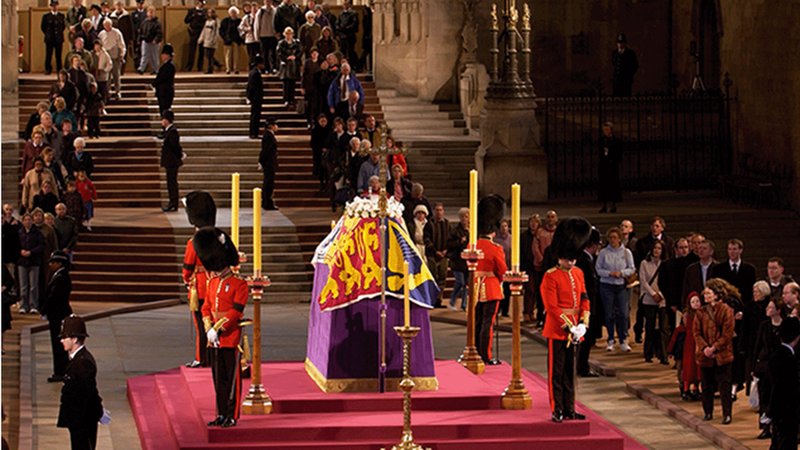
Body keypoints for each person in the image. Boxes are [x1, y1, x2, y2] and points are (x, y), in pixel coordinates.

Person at [541, 217, 591, 423]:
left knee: (571, 373)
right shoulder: (550, 276)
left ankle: (570, 407)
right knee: (557, 372)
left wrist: (583, 324)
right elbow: (552, 307)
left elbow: (584, 298)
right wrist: (570, 327)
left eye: (574, 258)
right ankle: (557, 408)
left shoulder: (578, 273)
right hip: (558, 330)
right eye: (568, 258)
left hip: (576, 329)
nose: (571, 261)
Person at [196, 227, 247, 428]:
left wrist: (217, 329)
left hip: (229, 337)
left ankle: (232, 415)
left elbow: (235, 312)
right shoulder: (212, 282)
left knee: (231, 380)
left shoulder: (239, 284)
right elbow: (206, 307)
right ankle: (220, 413)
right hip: (214, 339)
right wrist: (208, 328)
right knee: (218, 380)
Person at [57, 314, 104, 449]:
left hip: (82, 420)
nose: (62, 341)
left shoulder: (83, 362)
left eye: (65, 337)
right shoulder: (77, 359)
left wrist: (98, 411)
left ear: (75, 339)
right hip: (77, 419)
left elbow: (90, 391)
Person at [182, 191, 216, 369]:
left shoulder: (193, 242)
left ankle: (201, 357)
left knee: (201, 325)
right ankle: (213, 356)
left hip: (200, 288)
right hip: (216, 286)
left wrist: (188, 280)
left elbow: (187, 269)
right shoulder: (218, 238)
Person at [694, 282, 735, 425]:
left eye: (708, 293)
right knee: (706, 385)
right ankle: (708, 411)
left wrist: (715, 348)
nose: (705, 296)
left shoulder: (726, 310)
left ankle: (727, 414)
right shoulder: (701, 312)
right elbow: (696, 333)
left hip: (723, 354)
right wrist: (705, 348)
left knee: (725, 385)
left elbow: (727, 333)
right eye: (705, 293)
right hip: (705, 355)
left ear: (716, 296)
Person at [473, 195, 507, 365]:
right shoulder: (496, 248)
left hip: (475, 287)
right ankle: (485, 355)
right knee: (488, 323)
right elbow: (502, 270)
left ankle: (475, 351)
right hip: (491, 288)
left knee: (477, 322)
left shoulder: (473, 245)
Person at [596, 226, 636, 352]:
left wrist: (621, 273)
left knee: (624, 313)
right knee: (609, 314)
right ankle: (610, 339)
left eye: (615, 238)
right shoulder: (603, 253)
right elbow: (598, 269)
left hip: (621, 286)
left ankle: (623, 339)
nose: (612, 240)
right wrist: (609, 274)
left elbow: (632, 268)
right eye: (610, 238)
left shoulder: (626, 252)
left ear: (619, 239)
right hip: (607, 285)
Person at [751, 297, 783, 440]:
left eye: (770, 308)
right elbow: (757, 346)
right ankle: (765, 427)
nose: (767, 310)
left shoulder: (786, 325)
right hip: (764, 366)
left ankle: (777, 426)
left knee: (776, 397)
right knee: (764, 396)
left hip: (780, 367)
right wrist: (753, 366)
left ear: (778, 311)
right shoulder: (764, 325)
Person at [766, 316, 800, 450]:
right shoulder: (788, 359)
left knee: (777, 443)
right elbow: (790, 389)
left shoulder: (776, 355)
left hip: (777, 410)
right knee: (786, 444)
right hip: (787, 412)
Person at [40, 250, 74, 383]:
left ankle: (60, 371)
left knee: (58, 344)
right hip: (57, 313)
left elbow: (54, 297)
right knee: (58, 343)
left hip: (58, 314)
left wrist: (44, 309)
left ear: (60, 263)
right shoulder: (59, 276)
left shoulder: (61, 278)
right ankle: (60, 370)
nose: (50, 264)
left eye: (53, 262)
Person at [575, 227, 601, 377]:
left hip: (588, 304)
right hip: (586, 305)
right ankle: (582, 367)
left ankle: (582, 365)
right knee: (585, 339)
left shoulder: (586, 260)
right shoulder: (584, 261)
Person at [639, 239, 667, 363]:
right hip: (648, 299)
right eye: (655, 248)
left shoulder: (665, 264)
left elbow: (668, 281)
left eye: (659, 248)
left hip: (662, 300)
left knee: (662, 328)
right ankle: (648, 353)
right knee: (649, 327)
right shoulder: (644, 263)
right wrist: (653, 294)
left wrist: (660, 294)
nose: (657, 251)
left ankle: (662, 354)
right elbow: (643, 282)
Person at [711, 238, 757, 305]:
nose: (732, 252)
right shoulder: (718, 269)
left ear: (740, 250)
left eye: (734, 249)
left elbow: (750, 290)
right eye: (730, 249)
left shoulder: (750, 269)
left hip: (744, 304)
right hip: (724, 304)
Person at [533, 210, 558, 327]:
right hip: (542, 267)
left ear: (556, 219)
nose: (550, 219)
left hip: (555, 267)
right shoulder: (540, 232)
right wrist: (541, 259)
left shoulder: (558, 232)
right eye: (548, 217)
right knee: (540, 293)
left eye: (552, 217)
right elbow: (535, 246)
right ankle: (540, 317)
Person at [17, 214, 45, 314]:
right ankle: (24, 305)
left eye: (29, 220)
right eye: (26, 220)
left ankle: (34, 305)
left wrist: (31, 252)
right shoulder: (19, 233)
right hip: (22, 261)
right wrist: (20, 251)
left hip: (34, 261)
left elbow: (42, 245)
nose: (28, 222)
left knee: (33, 285)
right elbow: (15, 245)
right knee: (23, 285)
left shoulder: (37, 233)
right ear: (23, 221)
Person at [423, 203, 448, 308]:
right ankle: (431, 299)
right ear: (433, 212)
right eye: (437, 210)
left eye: (441, 210)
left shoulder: (447, 223)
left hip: (444, 254)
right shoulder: (429, 224)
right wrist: (435, 251)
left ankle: (439, 300)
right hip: (432, 254)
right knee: (433, 277)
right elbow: (426, 239)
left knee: (442, 277)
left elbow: (449, 238)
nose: (439, 212)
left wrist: (446, 250)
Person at [682, 239, 718, 309]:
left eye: (704, 248)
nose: (701, 251)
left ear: (711, 252)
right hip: (696, 307)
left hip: (714, 306)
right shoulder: (691, 269)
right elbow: (685, 290)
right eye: (700, 248)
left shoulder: (718, 268)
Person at [446, 208, 470, 311]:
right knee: (460, 282)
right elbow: (449, 244)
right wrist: (459, 242)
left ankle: (464, 304)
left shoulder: (471, 230)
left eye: (466, 216)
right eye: (462, 217)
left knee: (467, 283)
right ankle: (452, 301)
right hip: (457, 260)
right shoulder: (455, 231)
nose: (464, 219)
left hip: (467, 260)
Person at [159, 110, 181, 212]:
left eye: (163, 119)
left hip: (172, 162)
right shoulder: (168, 131)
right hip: (169, 161)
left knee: (172, 183)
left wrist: (179, 156)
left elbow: (175, 147)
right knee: (170, 182)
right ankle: (172, 202)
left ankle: (173, 203)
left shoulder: (172, 132)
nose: (162, 121)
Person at [98, 18, 125, 100]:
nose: (107, 27)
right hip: (105, 55)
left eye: (108, 25)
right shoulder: (101, 34)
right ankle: (108, 91)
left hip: (115, 55)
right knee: (107, 75)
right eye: (105, 25)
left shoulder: (117, 32)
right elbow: (100, 45)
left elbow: (121, 44)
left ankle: (117, 91)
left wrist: (122, 54)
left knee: (116, 74)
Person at [598, 121, 622, 213]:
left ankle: (613, 205)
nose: (605, 131)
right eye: (604, 130)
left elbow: (618, 153)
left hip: (613, 166)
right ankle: (604, 205)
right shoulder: (601, 140)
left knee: (613, 186)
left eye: (607, 130)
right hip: (604, 166)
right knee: (603, 186)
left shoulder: (616, 141)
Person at [277, 27, 303, 108]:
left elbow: (300, 51)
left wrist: (295, 56)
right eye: (287, 34)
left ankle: (291, 99)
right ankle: (286, 99)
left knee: (292, 83)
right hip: (285, 65)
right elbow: (279, 52)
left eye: (290, 34)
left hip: (293, 65)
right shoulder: (281, 43)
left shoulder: (296, 43)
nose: (289, 36)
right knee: (286, 84)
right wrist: (286, 57)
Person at [42, 0, 67, 75]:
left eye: (55, 5)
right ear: (50, 6)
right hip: (50, 38)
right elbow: (43, 27)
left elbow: (63, 27)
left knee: (58, 55)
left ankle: (59, 69)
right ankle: (48, 69)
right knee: (48, 54)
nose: (54, 7)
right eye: (52, 5)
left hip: (58, 38)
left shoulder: (61, 16)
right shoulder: (46, 16)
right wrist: (48, 34)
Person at [259, 119, 279, 210]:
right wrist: (261, 161)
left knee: (269, 183)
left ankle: (267, 202)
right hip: (268, 163)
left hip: (270, 163)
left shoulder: (269, 135)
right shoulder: (268, 136)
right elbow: (265, 150)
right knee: (268, 183)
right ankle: (267, 203)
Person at [136, 6, 162, 75]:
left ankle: (155, 69)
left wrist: (156, 40)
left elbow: (159, 33)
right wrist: (139, 39)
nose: (150, 14)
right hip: (145, 41)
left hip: (154, 42)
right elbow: (141, 31)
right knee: (144, 55)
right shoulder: (145, 22)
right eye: (149, 12)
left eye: (152, 12)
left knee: (154, 57)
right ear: (147, 13)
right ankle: (142, 68)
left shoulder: (157, 22)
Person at [110, 1, 133, 75]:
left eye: (120, 5)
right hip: (114, 38)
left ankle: (121, 70)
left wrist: (131, 38)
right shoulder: (112, 16)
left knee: (123, 54)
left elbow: (130, 28)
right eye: (117, 5)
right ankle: (115, 71)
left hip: (124, 37)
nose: (119, 7)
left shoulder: (126, 16)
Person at [253, 0, 277, 73]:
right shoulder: (261, 11)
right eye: (266, 1)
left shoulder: (275, 11)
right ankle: (266, 68)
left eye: (269, 1)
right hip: (263, 35)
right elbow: (257, 25)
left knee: (273, 53)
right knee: (264, 54)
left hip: (273, 35)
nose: (268, 2)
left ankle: (273, 68)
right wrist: (256, 36)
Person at [184, 0, 208, 72]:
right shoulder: (192, 11)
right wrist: (192, 16)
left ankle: (200, 66)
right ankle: (189, 66)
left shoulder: (205, 11)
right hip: (194, 31)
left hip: (202, 31)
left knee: (201, 50)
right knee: (192, 50)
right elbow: (186, 20)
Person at [300, 47, 321, 127]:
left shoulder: (320, 62)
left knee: (316, 105)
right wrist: (302, 87)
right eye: (313, 53)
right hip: (309, 86)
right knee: (309, 105)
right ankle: (309, 121)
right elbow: (304, 75)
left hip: (318, 87)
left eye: (316, 53)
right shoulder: (307, 62)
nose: (314, 55)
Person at [152, 43, 175, 115]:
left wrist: (154, 83)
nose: (161, 56)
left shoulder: (169, 66)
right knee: (163, 110)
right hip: (164, 91)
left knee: (164, 110)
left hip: (165, 91)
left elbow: (162, 77)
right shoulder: (167, 65)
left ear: (167, 55)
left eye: (163, 54)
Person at [219, 6, 243, 74]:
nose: (233, 14)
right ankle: (228, 69)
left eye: (234, 12)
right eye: (232, 12)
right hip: (227, 40)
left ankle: (236, 69)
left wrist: (240, 39)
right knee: (227, 56)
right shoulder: (225, 21)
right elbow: (221, 31)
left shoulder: (239, 21)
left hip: (236, 40)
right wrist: (225, 37)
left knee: (236, 56)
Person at [246, 55, 265, 139]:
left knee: (255, 116)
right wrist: (249, 97)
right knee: (255, 116)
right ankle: (253, 133)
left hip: (256, 97)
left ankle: (254, 133)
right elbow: (251, 86)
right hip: (255, 98)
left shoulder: (253, 72)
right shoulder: (255, 73)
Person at [310, 113, 330, 190]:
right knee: (320, 169)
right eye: (321, 121)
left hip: (328, 153)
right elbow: (313, 143)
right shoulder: (315, 131)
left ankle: (327, 183)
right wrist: (320, 148)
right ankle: (322, 184)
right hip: (318, 153)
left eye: (324, 121)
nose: (323, 123)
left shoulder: (329, 130)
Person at [336, 0, 358, 65]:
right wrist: (339, 28)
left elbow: (354, 24)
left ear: (349, 5)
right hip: (342, 36)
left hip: (350, 35)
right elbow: (337, 23)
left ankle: (353, 65)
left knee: (351, 51)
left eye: (346, 4)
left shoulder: (353, 13)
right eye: (344, 4)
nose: (345, 6)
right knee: (342, 51)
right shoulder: (341, 14)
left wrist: (346, 28)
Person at [91, 40, 112, 104]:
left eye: (98, 46)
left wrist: (105, 70)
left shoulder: (105, 54)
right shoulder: (91, 54)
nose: (97, 47)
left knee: (103, 89)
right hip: (94, 74)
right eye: (95, 46)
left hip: (102, 75)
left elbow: (109, 64)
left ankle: (103, 103)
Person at [238, 2, 259, 67]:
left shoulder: (260, 16)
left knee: (258, 55)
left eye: (256, 9)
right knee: (251, 55)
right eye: (253, 9)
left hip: (258, 39)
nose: (254, 11)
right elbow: (240, 27)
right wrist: (247, 29)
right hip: (249, 39)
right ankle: (251, 68)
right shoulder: (246, 17)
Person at [131, 0, 146, 68]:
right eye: (139, 3)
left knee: (144, 52)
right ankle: (136, 66)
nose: (140, 5)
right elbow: (132, 24)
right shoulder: (134, 14)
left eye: (142, 3)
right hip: (136, 35)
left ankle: (144, 66)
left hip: (144, 35)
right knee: (136, 51)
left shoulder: (145, 13)